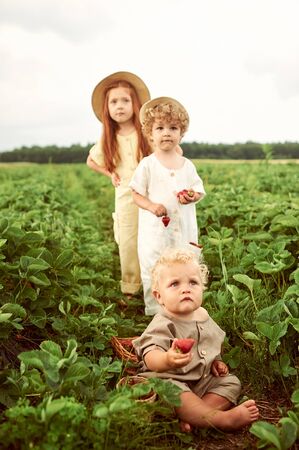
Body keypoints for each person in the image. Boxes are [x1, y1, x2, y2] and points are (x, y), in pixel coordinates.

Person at [133, 248, 259, 431]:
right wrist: (167, 359)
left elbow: (209, 344)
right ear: (159, 296)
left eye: (193, 282)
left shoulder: (203, 315)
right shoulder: (163, 322)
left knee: (231, 383)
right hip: (170, 379)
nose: (186, 289)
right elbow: (149, 355)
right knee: (176, 394)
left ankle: (194, 417)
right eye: (175, 284)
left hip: (202, 379)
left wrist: (216, 361)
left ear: (203, 288)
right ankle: (222, 420)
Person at [129, 97, 206, 315]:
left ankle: (185, 306)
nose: (166, 133)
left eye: (173, 128)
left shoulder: (187, 165)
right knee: (155, 267)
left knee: (185, 265)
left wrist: (191, 196)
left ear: (181, 134)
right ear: (150, 134)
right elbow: (135, 193)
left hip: (183, 230)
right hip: (156, 231)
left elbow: (198, 190)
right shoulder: (148, 165)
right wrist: (152, 206)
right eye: (160, 128)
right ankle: (156, 312)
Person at [86, 71, 152, 297]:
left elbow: (170, 151)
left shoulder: (146, 132)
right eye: (114, 102)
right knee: (128, 239)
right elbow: (91, 161)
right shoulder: (108, 136)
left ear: (136, 104)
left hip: (151, 194)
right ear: (107, 108)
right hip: (125, 195)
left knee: (153, 236)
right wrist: (109, 173)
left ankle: (157, 286)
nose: (120, 106)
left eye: (125, 100)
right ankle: (131, 288)